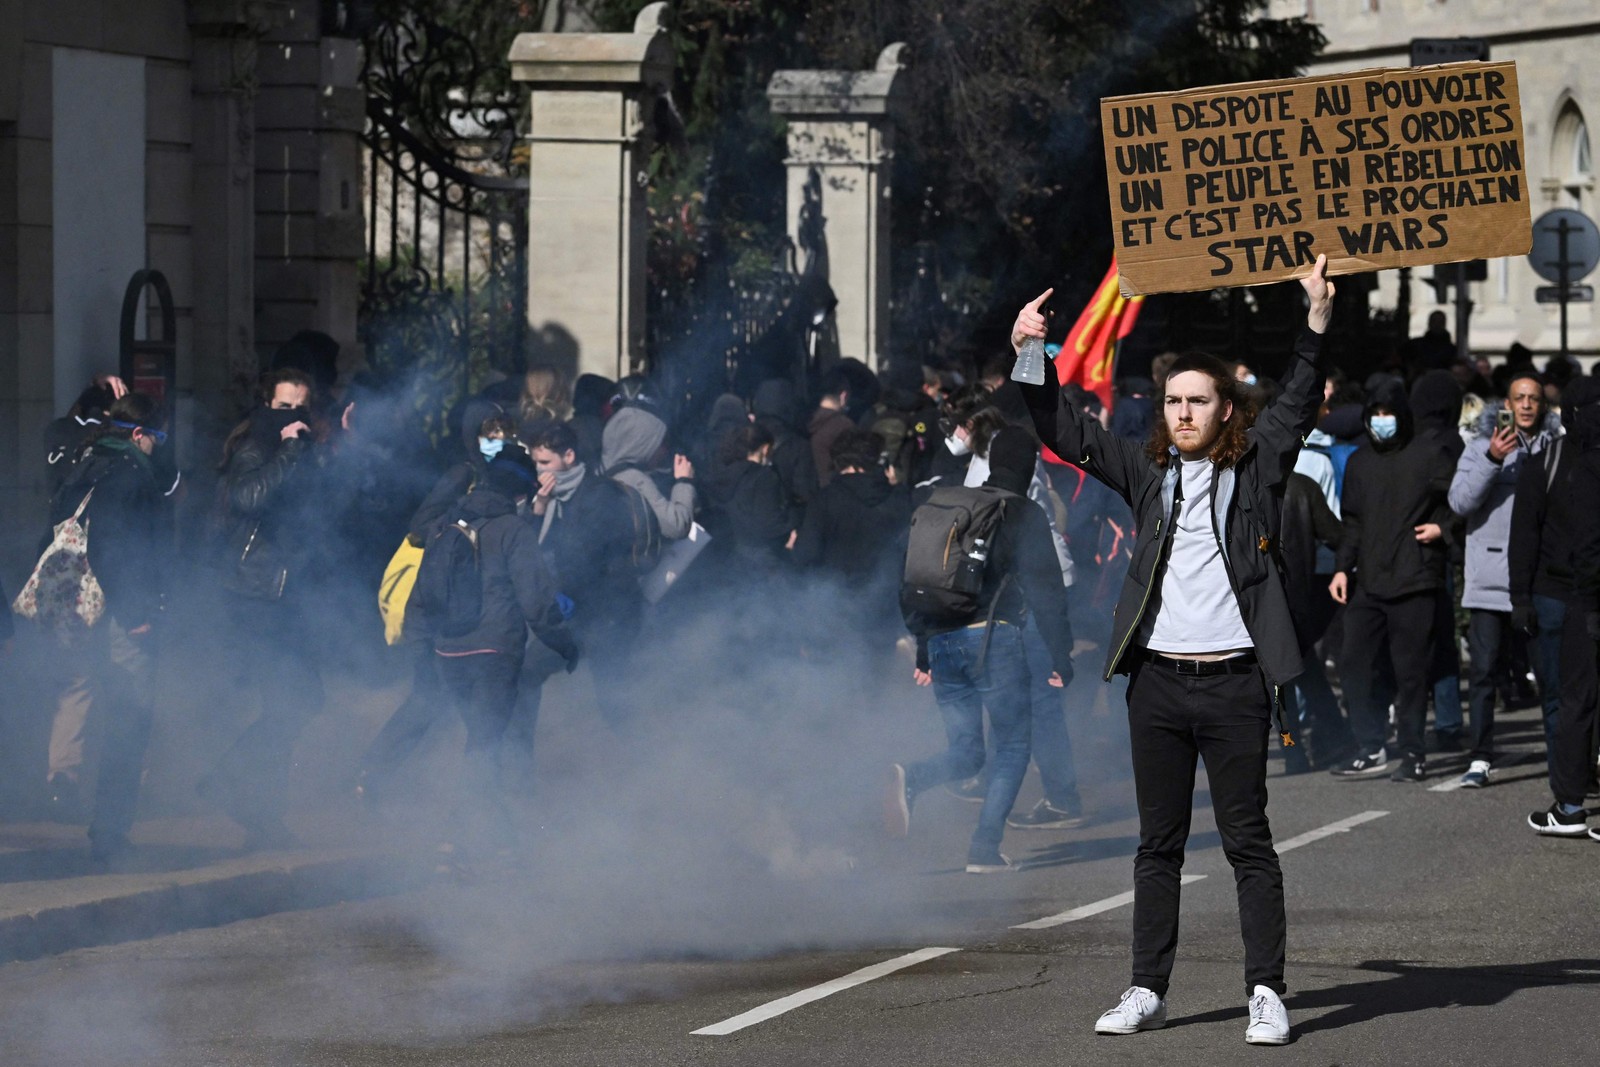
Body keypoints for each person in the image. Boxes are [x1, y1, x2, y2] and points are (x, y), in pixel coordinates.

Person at [1013, 255, 1336, 1045]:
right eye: (1174, 401)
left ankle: (1266, 989)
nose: (1184, 412)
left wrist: (1318, 316)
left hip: (1234, 686)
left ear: (1228, 410)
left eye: (1199, 401)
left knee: (1246, 842)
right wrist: (1029, 351)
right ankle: (1146, 987)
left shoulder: (1257, 470)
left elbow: (1296, 400)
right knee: (1155, 844)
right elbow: (1062, 429)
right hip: (1157, 685)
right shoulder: (1148, 471)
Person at [888, 428, 1075, 872]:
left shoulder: (959, 507)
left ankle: (913, 778)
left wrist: (922, 649)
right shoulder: (1022, 512)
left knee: (969, 750)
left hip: (943, 640)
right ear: (1029, 466)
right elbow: (1047, 590)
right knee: (1012, 746)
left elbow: (913, 579)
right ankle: (984, 849)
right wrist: (1060, 655)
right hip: (995, 640)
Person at [416, 447, 575, 859]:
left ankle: (504, 840)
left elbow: (423, 592)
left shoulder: (447, 522)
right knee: (484, 746)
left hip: (448, 652)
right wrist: (565, 644)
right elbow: (537, 603)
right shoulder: (512, 530)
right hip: (494, 653)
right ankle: (456, 842)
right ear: (521, 492)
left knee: (481, 740)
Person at [200, 369, 329, 849]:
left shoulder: (301, 451)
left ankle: (246, 795)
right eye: (283, 407)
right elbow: (249, 497)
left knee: (300, 701)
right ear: (265, 407)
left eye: (301, 407)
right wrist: (293, 449)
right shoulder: (258, 446)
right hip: (254, 594)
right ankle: (253, 805)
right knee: (287, 701)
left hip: (287, 594)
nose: (293, 416)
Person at [46, 393, 172, 866]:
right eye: (157, 438)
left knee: (84, 702)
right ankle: (111, 831)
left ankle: (94, 815)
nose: (158, 447)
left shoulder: (86, 463)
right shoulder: (131, 473)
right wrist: (136, 608)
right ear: (140, 435)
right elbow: (119, 548)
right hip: (120, 616)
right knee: (129, 719)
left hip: (76, 611)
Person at [1328, 379, 1457, 782]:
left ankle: (1414, 752)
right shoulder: (1361, 462)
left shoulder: (1429, 453)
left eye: (1388, 414)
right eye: (1375, 414)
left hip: (1415, 579)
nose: (1381, 421)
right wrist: (1340, 568)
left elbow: (1462, 499)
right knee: (1353, 664)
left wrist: (1443, 528)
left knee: (1411, 672)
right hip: (1368, 579)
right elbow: (1352, 521)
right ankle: (1370, 745)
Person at [1447, 371, 1556, 788]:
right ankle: (1480, 756)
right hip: (1490, 579)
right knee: (1484, 672)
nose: (1527, 405)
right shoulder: (1480, 447)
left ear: (1542, 406)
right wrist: (1493, 458)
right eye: (1519, 398)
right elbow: (1460, 501)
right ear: (1506, 406)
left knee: (1549, 674)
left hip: (1539, 580)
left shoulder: (1554, 448)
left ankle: (1561, 757)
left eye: (1533, 398)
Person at [528, 422, 645, 732]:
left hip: (609, 612)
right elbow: (527, 546)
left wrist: (558, 592)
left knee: (612, 696)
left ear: (569, 456)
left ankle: (645, 762)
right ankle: (516, 765)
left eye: (545, 462)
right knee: (526, 673)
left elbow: (586, 555)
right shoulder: (551, 498)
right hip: (577, 609)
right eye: (535, 464)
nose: (539, 471)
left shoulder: (600, 494)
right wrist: (539, 508)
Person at [1523, 377, 1600, 836]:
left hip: (1584, 600)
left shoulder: (1583, 467)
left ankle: (1569, 807)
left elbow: (1590, 545)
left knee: (1575, 702)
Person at [601, 404, 697, 540]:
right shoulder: (633, 479)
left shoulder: (611, 476)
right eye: (660, 443)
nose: (665, 449)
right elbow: (676, 526)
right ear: (643, 446)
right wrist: (684, 481)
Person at [809, 367, 855, 489]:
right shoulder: (844, 426)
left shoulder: (807, 421)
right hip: (838, 492)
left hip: (812, 492)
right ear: (843, 396)